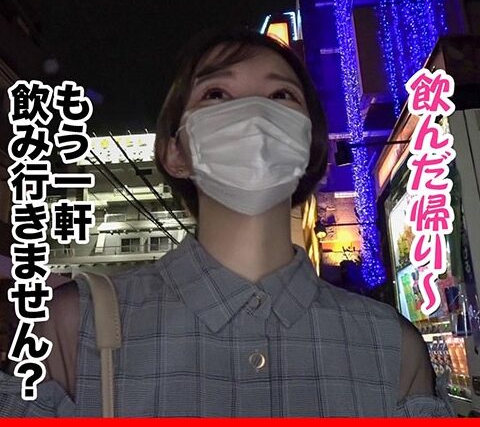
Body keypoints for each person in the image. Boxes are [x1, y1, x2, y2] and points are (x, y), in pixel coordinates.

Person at [0, 27, 453, 417]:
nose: (255, 114)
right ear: (175, 152)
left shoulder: (392, 347)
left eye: (281, 96)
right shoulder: (69, 326)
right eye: (216, 94)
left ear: (309, 146)